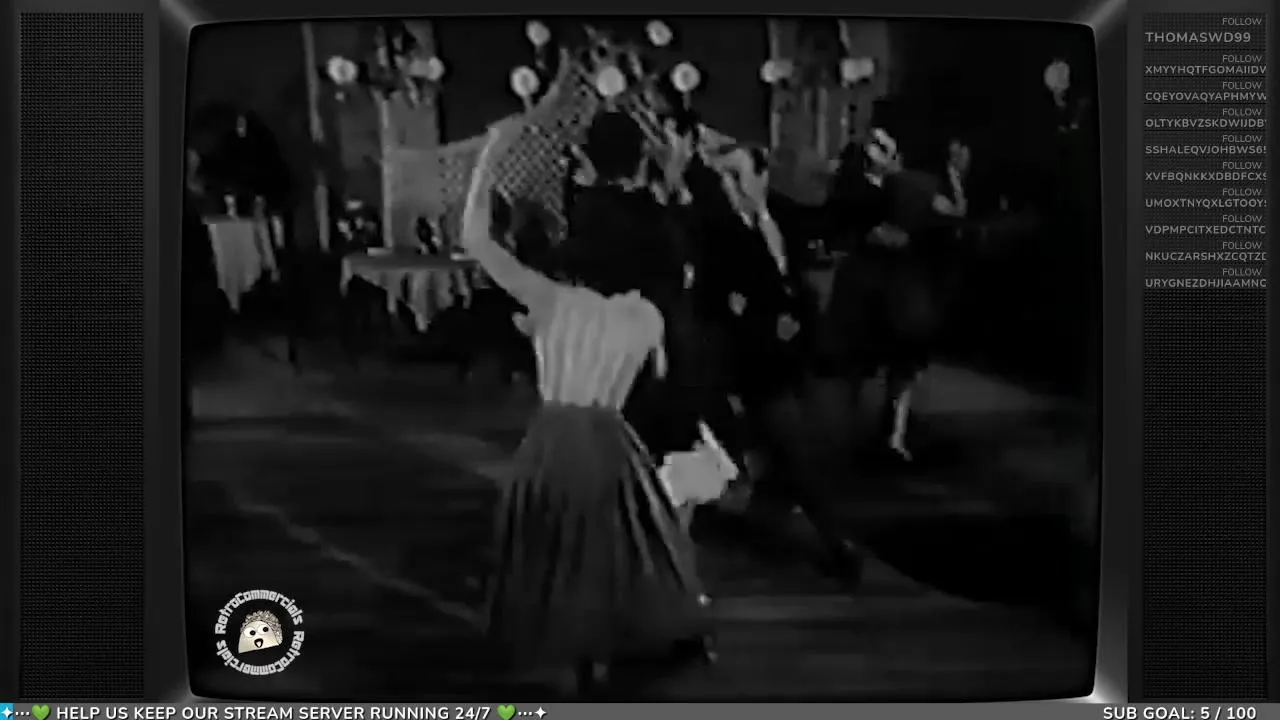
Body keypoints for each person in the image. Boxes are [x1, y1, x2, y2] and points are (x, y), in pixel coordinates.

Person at [469, 116, 717, 697]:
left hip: (552, 440)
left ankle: (580, 668)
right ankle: (613, 663)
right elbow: (664, 367)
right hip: (612, 440)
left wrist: (491, 150)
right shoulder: (648, 319)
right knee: (616, 554)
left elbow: (476, 238)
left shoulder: (555, 301)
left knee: (556, 555)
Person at [695, 144, 865, 585]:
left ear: (762, 177)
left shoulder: (781, 219)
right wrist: (763, 322)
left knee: (791, 451)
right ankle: (836, 543)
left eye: (739, 176)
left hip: (797, 358)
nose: (731, 188)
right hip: (756, 364)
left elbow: (802, 274)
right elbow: (714, 306)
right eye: (725, 178)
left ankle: (761, 526)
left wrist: (798, 318)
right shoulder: (720, 236)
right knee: (795, 448)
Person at [824, 129, 966, 462]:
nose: (880, 155)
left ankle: (890, 435)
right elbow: (854, 228)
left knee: (898, 361)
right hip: (874, 284)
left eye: (884, 148)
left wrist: (953, 178)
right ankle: (861, 432)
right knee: (865, 361)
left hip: (894, 285)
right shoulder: (860, 187)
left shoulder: (905, 186)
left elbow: (951, 213)